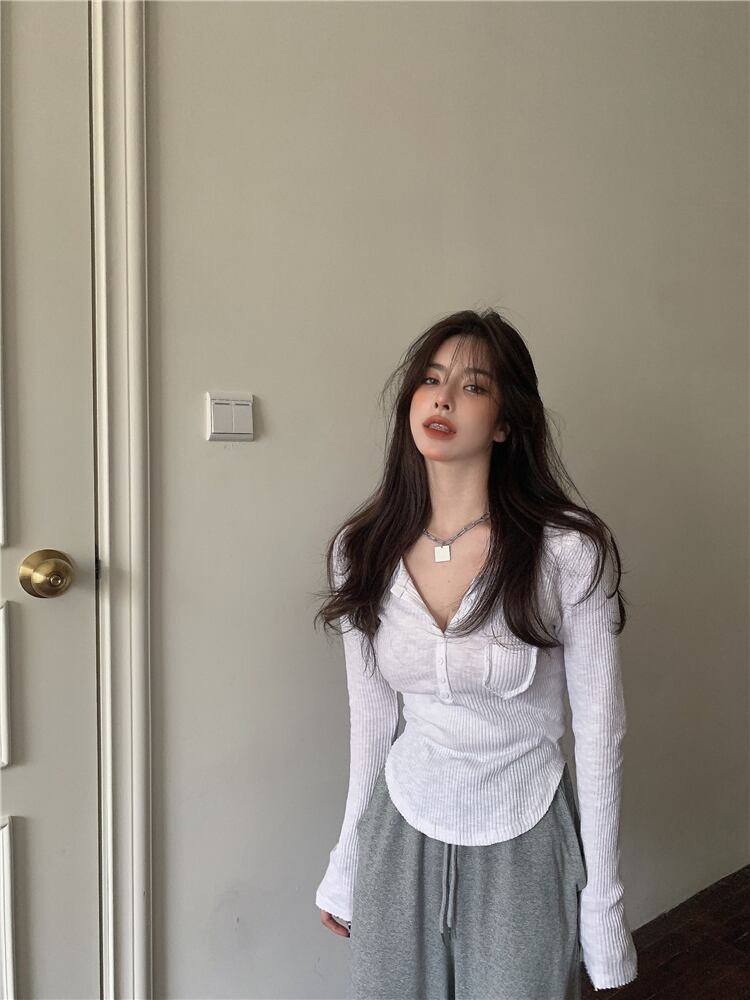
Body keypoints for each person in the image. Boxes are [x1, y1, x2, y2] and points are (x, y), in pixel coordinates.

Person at [313, 309, 638, 999]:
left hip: (527, 835)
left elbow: (599, 733)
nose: (443, 399)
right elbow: (371, 724)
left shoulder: (568, 552)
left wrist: (603, 905)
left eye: (473, 385)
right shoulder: (362, 550)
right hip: (399, 830)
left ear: (504, 423)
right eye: (431, 380)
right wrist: (347, 859)